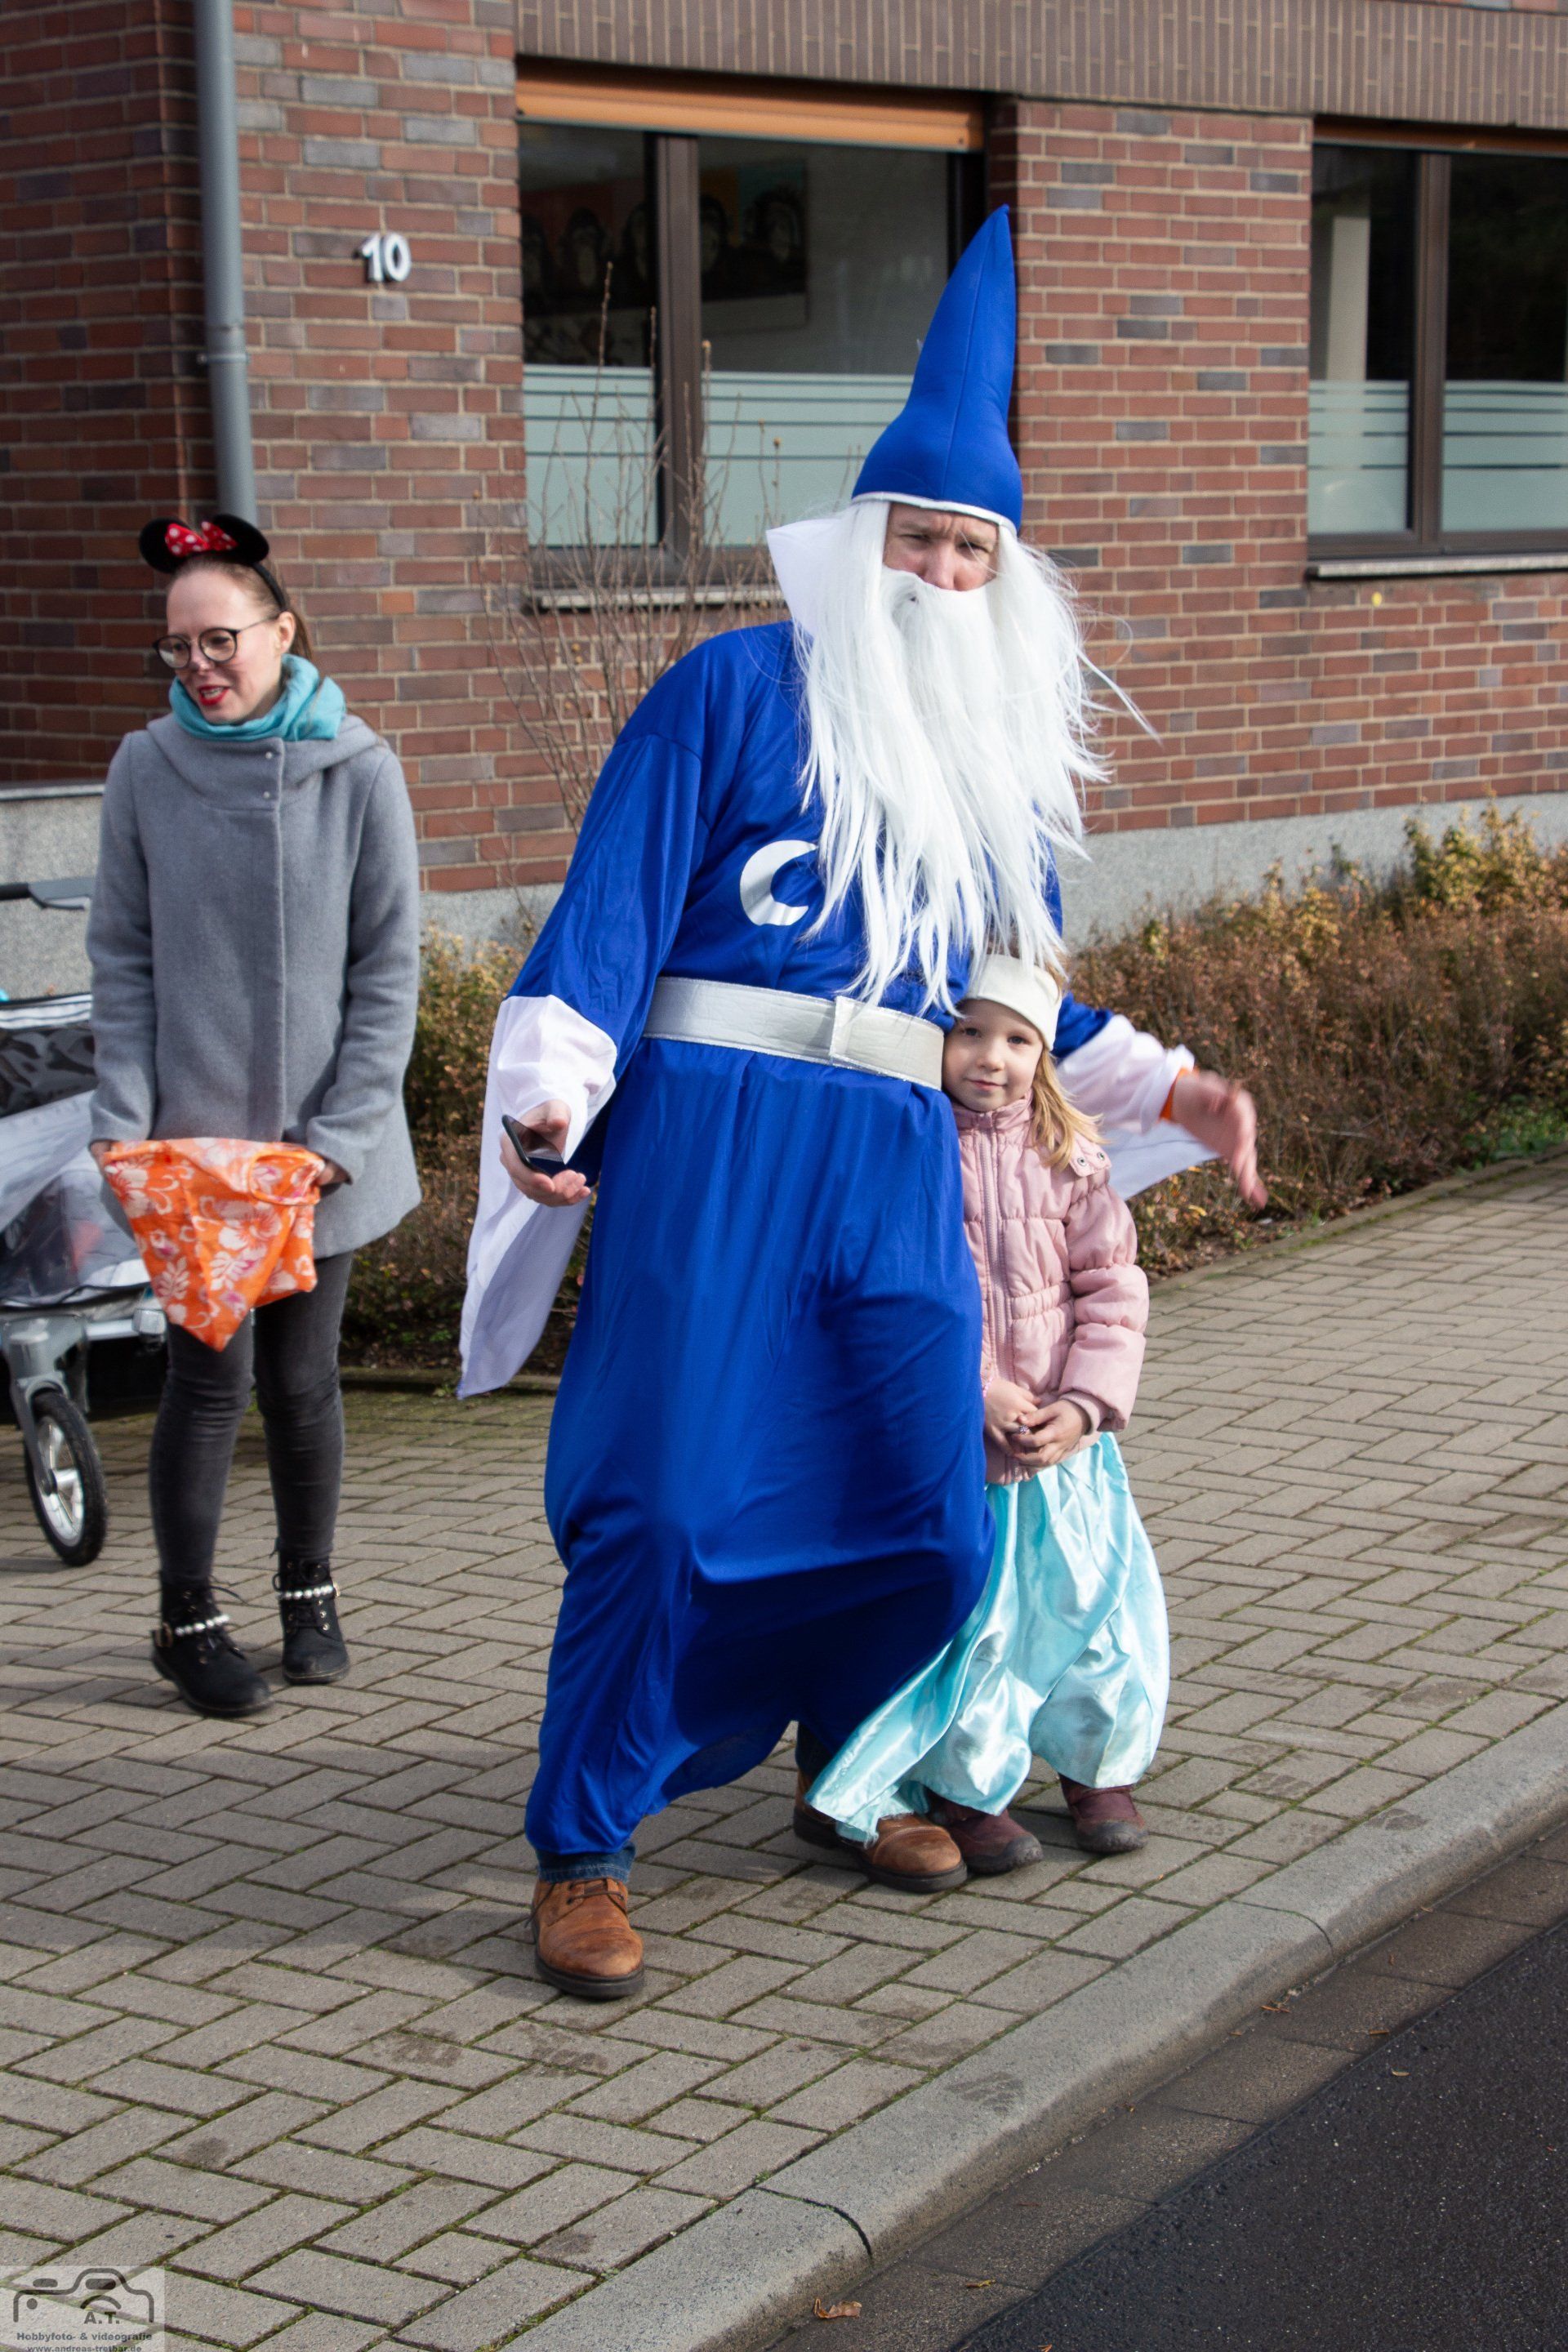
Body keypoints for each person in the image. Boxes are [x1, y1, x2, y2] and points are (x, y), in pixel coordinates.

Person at [460, 211, 1263, 2002]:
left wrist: (1169, 1085)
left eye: (974, 551)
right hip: (716, 1145)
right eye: (918, 537)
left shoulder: (994, 783)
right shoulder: (728, 691)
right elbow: (608, 912)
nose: (941, 576)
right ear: (859, 538)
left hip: (898, 1162)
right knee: (670, 1500)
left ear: (1005, 579)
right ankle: (583, 1845)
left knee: (920, 1501)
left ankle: (852, 1774)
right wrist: (553, 1097)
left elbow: (1021, 997)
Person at [87, 514, 421, 1719]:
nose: (200, 666)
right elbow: (122, 956)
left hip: (317, 1157)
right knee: (207, 1385)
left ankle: (308, 1596)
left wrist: (342, 1138)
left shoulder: (361, 771)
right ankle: (186, 1620)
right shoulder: (145, 768)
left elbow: (388, 971)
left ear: (282, 632)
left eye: (220, 639)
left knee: (305, 1383)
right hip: (195, 1162)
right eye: (178, 648)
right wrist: (122, 1118)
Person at [802, 956, 1167, 1873]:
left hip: (1065, 1448)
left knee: (1090, 1607)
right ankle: (968, 1789)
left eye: (1016, 1039)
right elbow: (890, 1291)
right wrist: (972, 1392)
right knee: (983, 1625)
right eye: (969, 1031)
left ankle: (1097, 1766)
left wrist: (1084, 1406)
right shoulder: (910, 1152)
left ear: (1044, 1053)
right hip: (959, 1449)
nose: (990, 1057)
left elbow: (1113, 1290)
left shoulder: (1072, 1158)